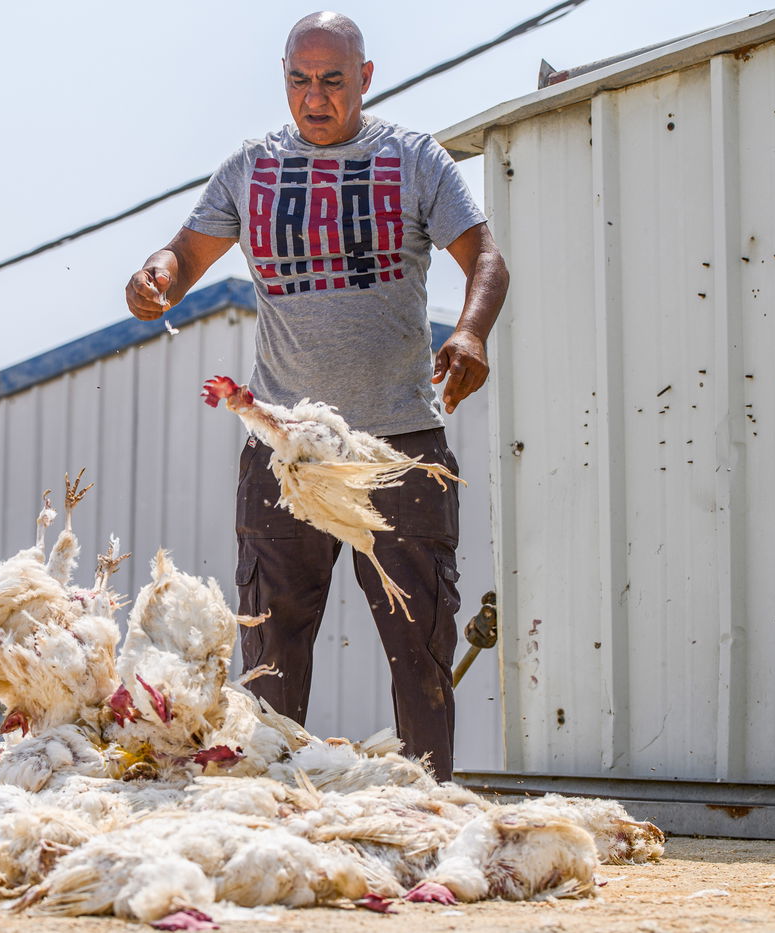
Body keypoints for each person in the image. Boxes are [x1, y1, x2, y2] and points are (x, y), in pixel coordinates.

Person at [124, 11, 508, 780]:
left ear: (365, 78)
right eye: (300, 80)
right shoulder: (250, 167)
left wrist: (469, 334)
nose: (316, 97)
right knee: (272, 644)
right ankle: (272, 806)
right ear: (285, 79)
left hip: (397, 446)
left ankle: (427, 804)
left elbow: (486, 258)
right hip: (285, 451)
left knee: (421, 642)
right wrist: (156, 273)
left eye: (334, 80)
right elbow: (184, 252)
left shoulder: (414, 158)